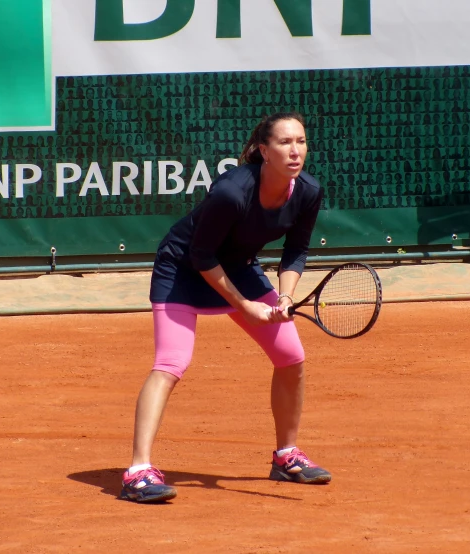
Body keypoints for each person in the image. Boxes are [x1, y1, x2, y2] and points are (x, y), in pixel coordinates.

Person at [120, 112, 330, 503]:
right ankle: (138, 471)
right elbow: (201, 255)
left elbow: (296, 252)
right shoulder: (231, 191)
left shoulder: (307, 191)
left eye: (301, 141)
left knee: (291, 356)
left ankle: (286, 456)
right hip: (183, 267)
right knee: (171, 363)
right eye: (285, 142)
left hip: (239, 265)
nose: (295, 150)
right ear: (264, 151)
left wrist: (284, 296)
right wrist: (246, 306)